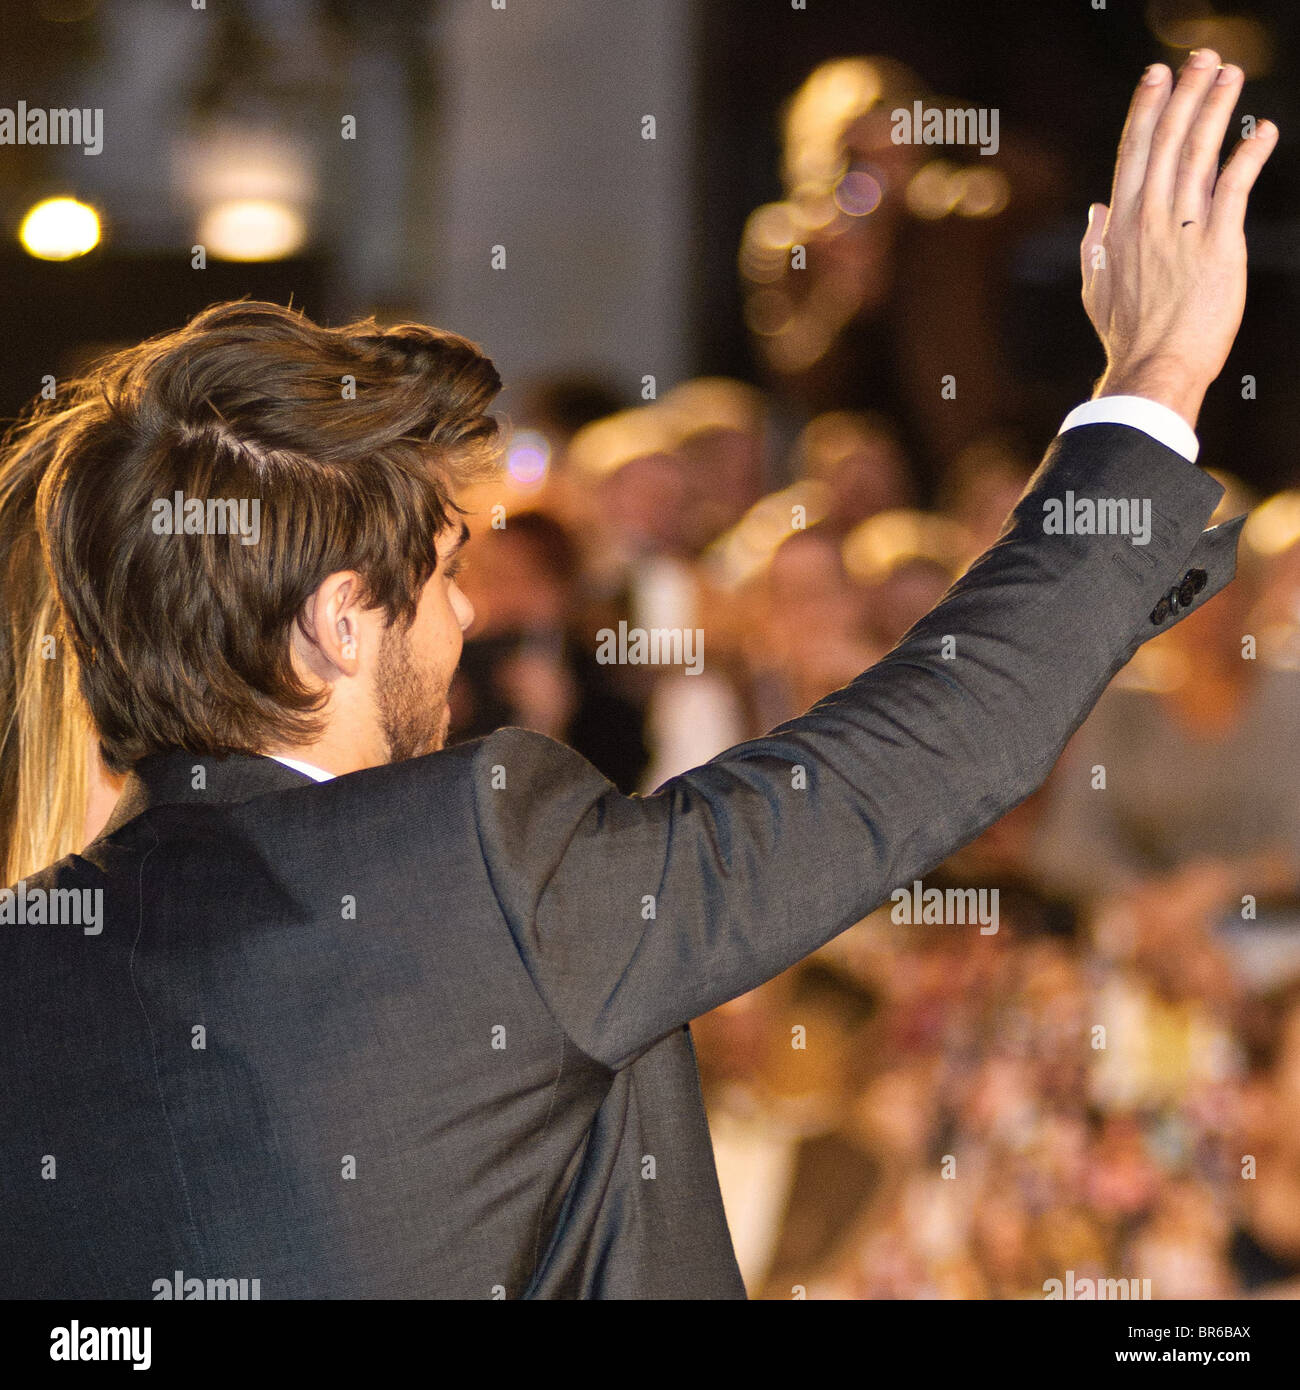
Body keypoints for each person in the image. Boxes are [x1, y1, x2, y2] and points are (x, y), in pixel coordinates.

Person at [0, 53, 1276, 1298]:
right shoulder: (468, 861)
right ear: (341, 623)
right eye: (446, 573)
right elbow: (913, 753)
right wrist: (1152, 381)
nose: (460, 617)